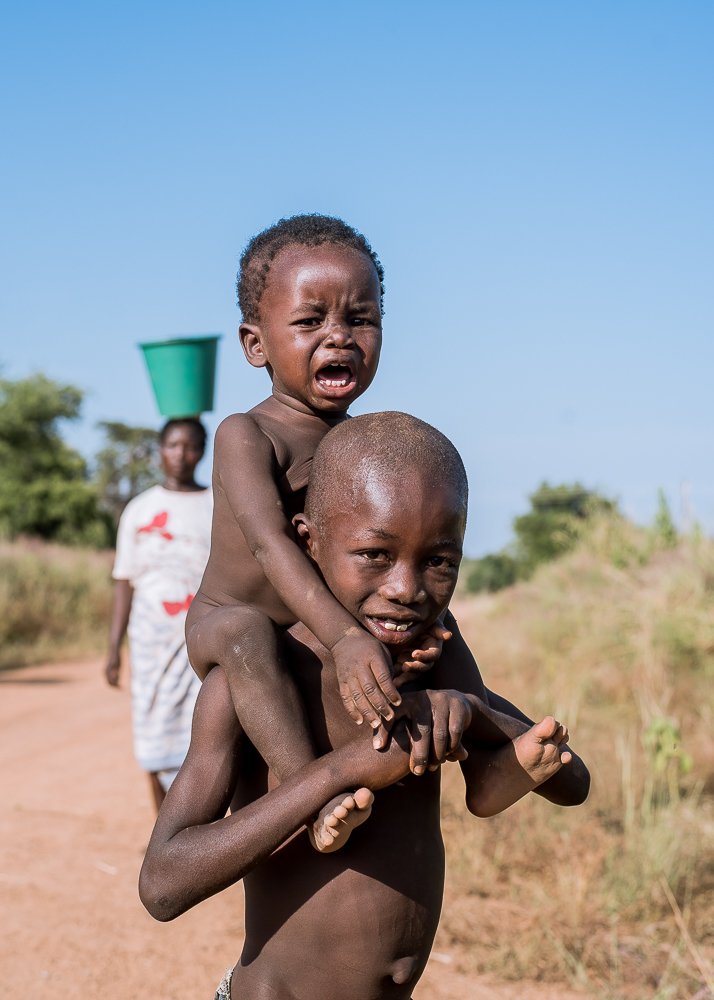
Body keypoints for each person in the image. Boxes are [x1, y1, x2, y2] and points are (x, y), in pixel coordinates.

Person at [140, 412, 590, 1000]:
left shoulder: (433, 660)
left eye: (439, 561)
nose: (407, 588)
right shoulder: (255, 682)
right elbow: (162, 884)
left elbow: (571, 781)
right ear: (310, 543)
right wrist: (345, 771)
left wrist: (469, 713)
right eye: (375, 555)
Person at [186, 214, 530, 850]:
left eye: (360, 319)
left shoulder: (361, 447)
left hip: (311, 628)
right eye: (310, 321)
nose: (338, 337)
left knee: (435, 626)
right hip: (230, 624)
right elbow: (271, 545)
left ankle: (493, 758)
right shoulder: (245, 434)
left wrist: (390, 637)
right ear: (255, 344)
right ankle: (311, 792)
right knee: (244, 634)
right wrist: (346, 637)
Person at [105, 418, 212, 812]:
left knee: (200, 732)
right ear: (159, 450)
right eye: (172, 446)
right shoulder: (140, 510)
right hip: (150, 642)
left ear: (202, 451)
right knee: (152, 732)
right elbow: (124, 582)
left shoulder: (215, 505)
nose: (180, 455)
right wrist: (114, 649)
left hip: (199, 639)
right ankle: (162, 830)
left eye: (190, 446)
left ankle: (193, 826)